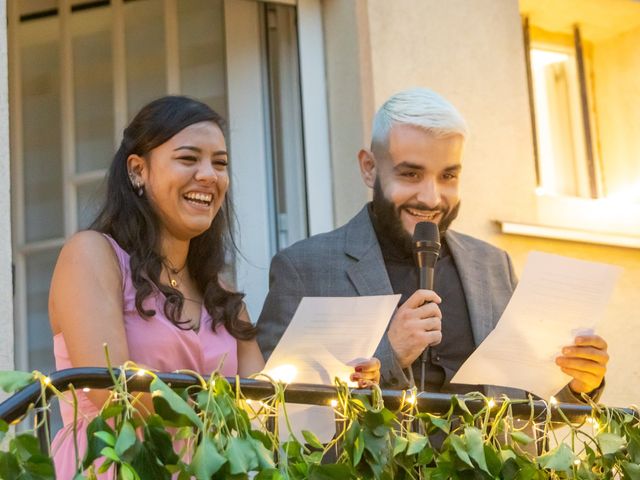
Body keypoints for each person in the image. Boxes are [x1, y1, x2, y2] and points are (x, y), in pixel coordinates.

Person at [48, 96, 379, 478]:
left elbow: (266, 414)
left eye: (219, 163)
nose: (209, 175)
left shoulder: (219, 294)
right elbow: (114, 394)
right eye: (189, 159)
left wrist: (339, 381)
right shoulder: (91, 255)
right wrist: (226, 408)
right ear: (138, 170)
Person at [257, 87, 608, 403]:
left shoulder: (493, 265)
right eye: (410, 174)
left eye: (448, 176)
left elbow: (530, 401)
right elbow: (279, 407)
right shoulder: (304, 268)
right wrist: (390, 354)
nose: (431, 197)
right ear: (369, 168)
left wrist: (580, 383)